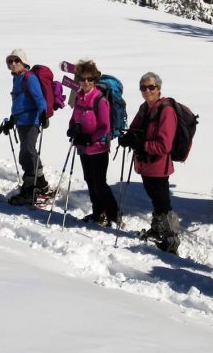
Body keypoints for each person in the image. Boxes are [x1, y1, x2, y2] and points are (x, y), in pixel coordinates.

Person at [120, 72, 179, 254]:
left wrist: (140, 144)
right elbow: (136, 128)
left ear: (159, 89)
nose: (147, 90)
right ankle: (158, 229)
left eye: (151, 87)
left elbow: (165, 145)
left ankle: (171, 240)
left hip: (159, 165)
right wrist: (128, 137)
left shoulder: (166, 111)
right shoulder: (145, 108)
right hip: (145, 163)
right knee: (156, 198)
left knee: (162, 202)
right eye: (143, 87)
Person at [66, 60, 119, 226]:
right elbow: (74, 118)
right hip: (83, 148)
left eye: (89, 79)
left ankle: (113, 215)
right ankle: (98, 212)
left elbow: (105, 127)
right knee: (90, 180)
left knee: (99, 182)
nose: (86, 82)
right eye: (82, 79)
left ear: (95, 79)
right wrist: (72, 129)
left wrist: (89, 139)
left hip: (98, 148)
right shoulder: (80, 97)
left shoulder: (100, 99)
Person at [2, 49, 51, 205]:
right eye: (10, 61)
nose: (13, 63)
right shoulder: (17, 79)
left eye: (17, 60)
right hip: (21, 121)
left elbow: (39, 98)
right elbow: (18, 101)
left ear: (24, 62)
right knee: (26, 153)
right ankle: (41, 184)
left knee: (28, 152)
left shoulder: (30, 78)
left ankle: (31, 187)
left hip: (32, 120)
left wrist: (43, 115)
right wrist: (11, 119)